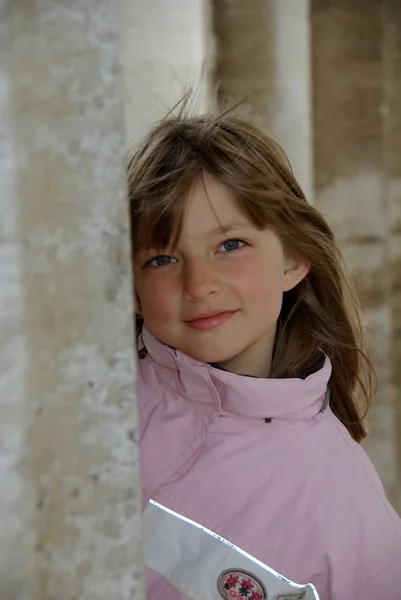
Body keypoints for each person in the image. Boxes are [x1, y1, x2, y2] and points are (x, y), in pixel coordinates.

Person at [127, 100, 401, 600]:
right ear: (132, 285)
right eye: (163, 257)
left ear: (294, 259)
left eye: (230, 245)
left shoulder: (346, 509)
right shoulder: (80, 401)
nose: (200, 283)